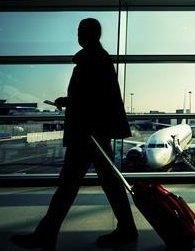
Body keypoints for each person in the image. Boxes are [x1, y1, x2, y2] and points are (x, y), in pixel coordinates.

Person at [11, 18, 137, 250]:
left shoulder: (93, 59)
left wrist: (70, 101)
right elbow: (96, 95)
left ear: (91, 34)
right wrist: (69, 101)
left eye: (81, 30)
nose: (78, 34)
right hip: (94, 132)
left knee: (69, 186)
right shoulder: (96, 59)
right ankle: (127, 229)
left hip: (88, 133)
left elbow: (93, 97)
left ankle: (46, 234)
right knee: (101, 184)